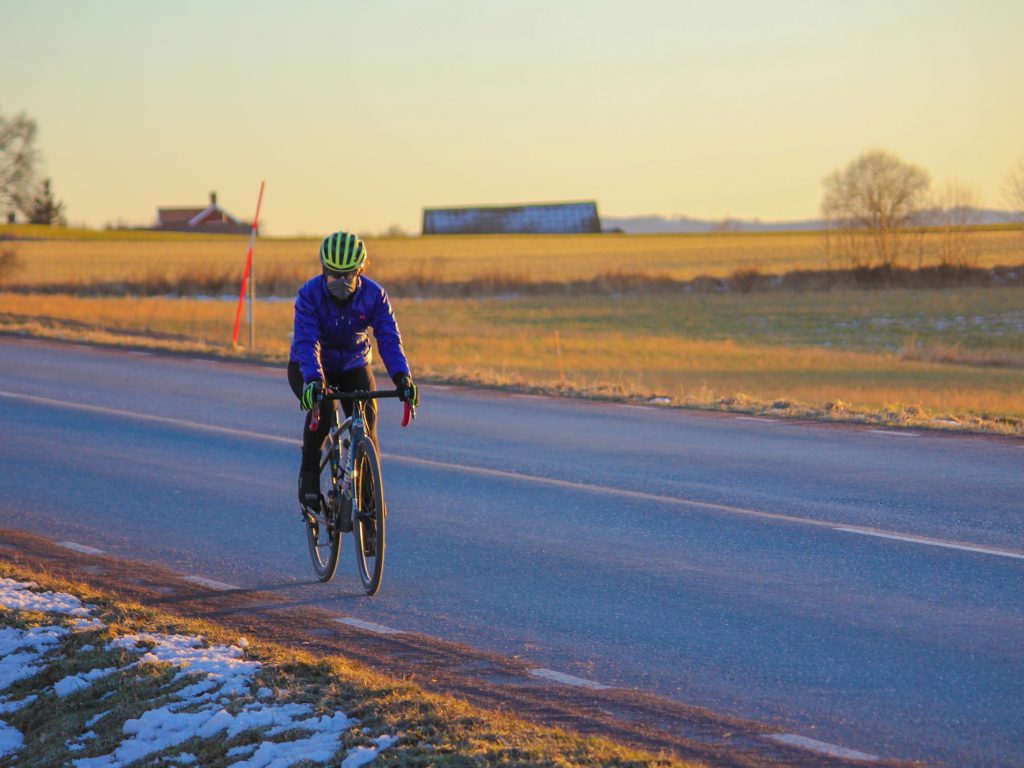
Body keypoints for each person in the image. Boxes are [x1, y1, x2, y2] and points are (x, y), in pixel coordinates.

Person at [288, 230, 418, 510]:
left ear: (361, 271)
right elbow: (307, 342)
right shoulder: (309, 295)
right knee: (320, 412)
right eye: (334, 275)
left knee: (368, 431)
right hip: (309, 365)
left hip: (354, 364)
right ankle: (309, 475)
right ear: (324, 270)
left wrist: (401, 376)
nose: (342, 282)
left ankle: (371, 510)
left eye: (349, 275)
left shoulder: (374, 295)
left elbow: (389, 338)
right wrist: (313, 380)